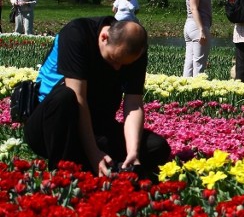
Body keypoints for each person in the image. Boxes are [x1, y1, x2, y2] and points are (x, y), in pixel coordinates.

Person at [23, 17, 171, 179]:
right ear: (104, 37)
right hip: (53, 126)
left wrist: (133, 152)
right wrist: (94, 154)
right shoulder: (76, 35)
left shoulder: (134, 48)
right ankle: (64, 171)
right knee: (66, 96)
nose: (117, 68)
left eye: (125, 65)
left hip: (97, 127)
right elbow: (79, 100)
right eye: (114, 60)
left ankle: (92, 163)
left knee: (157, 148)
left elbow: (134, 103)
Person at [183, 0, 213, 77]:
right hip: (197, 26)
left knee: (189, 64)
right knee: (199, 65)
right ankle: (197, 94)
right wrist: (202, 30)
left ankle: (185, 93)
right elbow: (194, 7)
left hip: (189, 26)